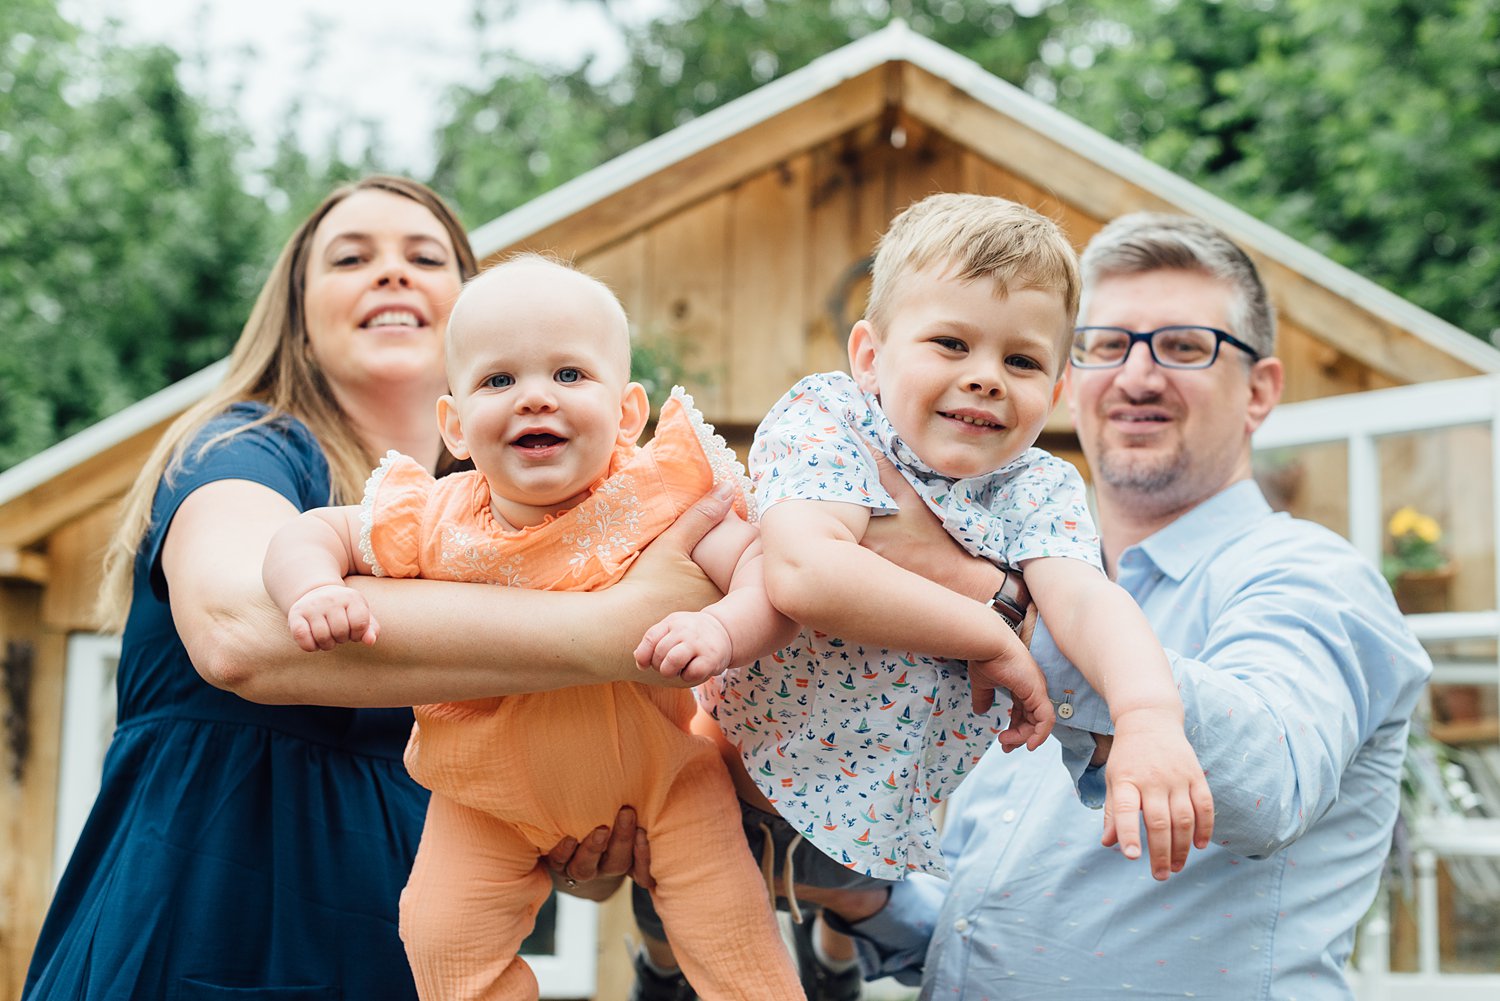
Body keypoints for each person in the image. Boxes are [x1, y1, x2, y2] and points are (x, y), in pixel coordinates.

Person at [24, 177, 732, 1000]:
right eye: (352, 258)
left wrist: (583, 841)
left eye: (425, 257)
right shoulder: (244, 448)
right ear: (297, 312)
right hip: (211, 930)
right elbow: (237, 627)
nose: (392, 274)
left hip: (401, 953)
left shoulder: (501, 521)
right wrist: (617, 628)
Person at [821, 212, 1434, 1000]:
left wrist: (993, 604)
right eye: (1107, 345)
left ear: (1260, 390)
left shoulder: (1313, 576)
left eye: (1184, 347)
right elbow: (995, 934)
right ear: (1070, 381)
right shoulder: (1021, 571)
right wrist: (861, 899)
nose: (1138, 377)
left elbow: (1269, 779)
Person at [633, 194, 1212, 998]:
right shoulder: (830, 419)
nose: (984, 375)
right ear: (869, 354)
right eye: (950, 342)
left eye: (1022, 361)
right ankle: (659, 970)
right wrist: (992, 635)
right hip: (728, 766)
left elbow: (1086, 602)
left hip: (874, 812)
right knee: (677, 921)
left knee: (860, 895)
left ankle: (841, 944)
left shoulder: (1037, 487)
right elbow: (808, 574)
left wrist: (1150, 715)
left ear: (1057, 389)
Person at [261, 253, 805, 1000]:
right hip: (484, 801)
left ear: (627, 413)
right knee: (440, 935)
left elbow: (768, 573)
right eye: (499, 380)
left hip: (667, 786)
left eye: (570, 375)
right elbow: (306, 534)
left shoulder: (655, 502)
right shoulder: (432, 518)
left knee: (735, 941)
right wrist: (315, 588)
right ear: (453, 424)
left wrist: (725, 631)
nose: (535, 399)